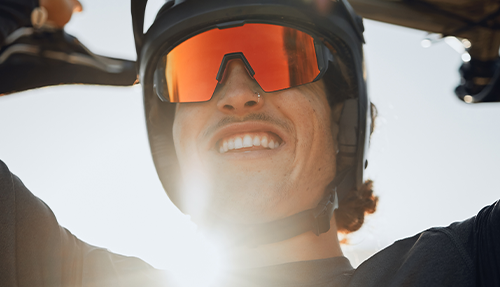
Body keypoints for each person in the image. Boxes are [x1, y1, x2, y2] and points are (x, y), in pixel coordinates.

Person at [0, 0, 499, 287]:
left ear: (344, 120)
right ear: (169, 138)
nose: (237, 95)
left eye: (283, 60)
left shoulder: (463, 269)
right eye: (194, 73)